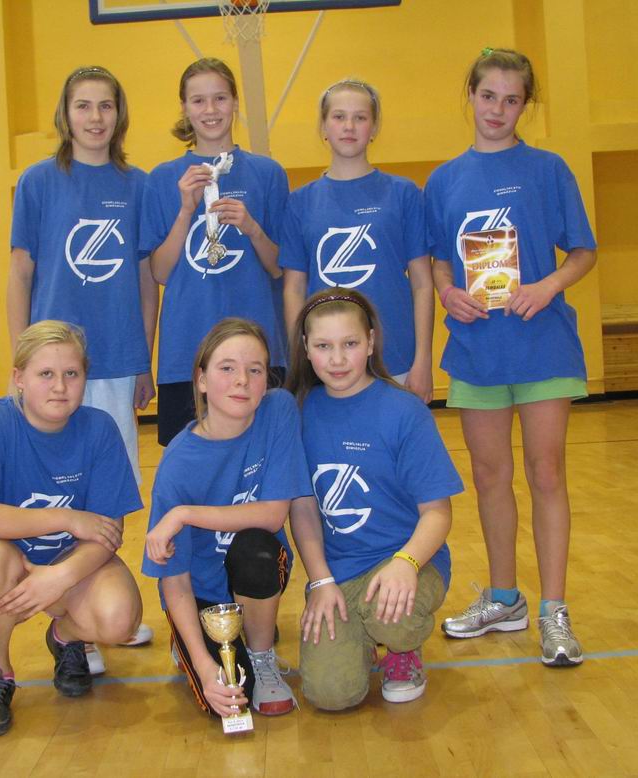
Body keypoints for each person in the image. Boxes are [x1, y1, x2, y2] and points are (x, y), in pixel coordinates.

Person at [425, 48, 597, 666]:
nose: (497, 109)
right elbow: (439, 259)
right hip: (477, 350)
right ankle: (504, 599)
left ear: (526, 105)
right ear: (470, 95)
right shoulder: (444, 180)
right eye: (488, 95)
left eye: (511, 99)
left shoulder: (549, 169)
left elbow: (583, 251)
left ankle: (554, 611)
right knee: (490, 476)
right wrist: (448, 292)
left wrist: (547, 286)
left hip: (542, 345)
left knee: (546, 473)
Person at [7, 65, 156, 658]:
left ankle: (90, 611)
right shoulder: (37, 182)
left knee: (104, 493)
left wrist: (143, 358)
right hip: (52, 365)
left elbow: (145, 280)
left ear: (120, 115)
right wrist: (24, 362)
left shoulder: (137, 185)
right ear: (65, 114)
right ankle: (72, 617)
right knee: (55, 488)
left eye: (106, 106)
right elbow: (20, 274)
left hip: (115, 361)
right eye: (83, 105)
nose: (95, 117)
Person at [0, 321, 143, 737]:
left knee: (119, 619)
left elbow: (109, 533)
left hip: (74, 562)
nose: (60, 386)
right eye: (45, 374)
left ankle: (65, 636)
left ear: (85, 377)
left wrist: (59, 577)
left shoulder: (99, 428)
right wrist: (66, 518)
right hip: (7, 564)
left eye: (71, 373)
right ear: (19, 378)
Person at [285, 288, 463, 710]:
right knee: (331, 695)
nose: (337, 359)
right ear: (306, 349)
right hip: (339, 574)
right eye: (323, 346)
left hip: (406, 559)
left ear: (370, 342)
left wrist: (407, 563)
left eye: (349, 343)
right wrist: (320, 581)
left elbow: (438, 512)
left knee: (393, 619)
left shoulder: (404, 411)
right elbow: (303, 509)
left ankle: (403, 649)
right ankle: (360, 640)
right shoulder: (298, 413)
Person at [142, 318, 311, 720]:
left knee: (256, 547)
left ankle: (262, 654)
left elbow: (273, 515)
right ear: (201, 380)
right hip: (198, 592)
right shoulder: (178, 465)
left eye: (255, 370)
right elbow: (174, 580)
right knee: (229, 703)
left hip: (257, 566)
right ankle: (193, 643)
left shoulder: (277, 411)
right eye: (227, 368)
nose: (242, 381)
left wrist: (184, 514)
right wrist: (204, 666)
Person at [140, 58, 290, 446]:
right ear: (185, 108)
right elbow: (159, 272)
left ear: (235, 102)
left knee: (261, 461)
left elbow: (279, 268)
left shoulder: (268, 173)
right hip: (187, 352)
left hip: (259, 350)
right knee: (193, 465)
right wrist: (185, 211)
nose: (210, 110)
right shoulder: (162, 179)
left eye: (220, 98)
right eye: (198, 100)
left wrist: (251, 227)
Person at [280, 78, 434, 402]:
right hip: (327, 365)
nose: (349, 126)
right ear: (323, 126)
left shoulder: (403, 193)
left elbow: (422, 283)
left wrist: (423, 359)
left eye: (360, 117)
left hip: (396, 358)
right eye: (339, 116)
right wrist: (302, 360)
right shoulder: (299, 202)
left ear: (374, 127)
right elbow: (294, 288)